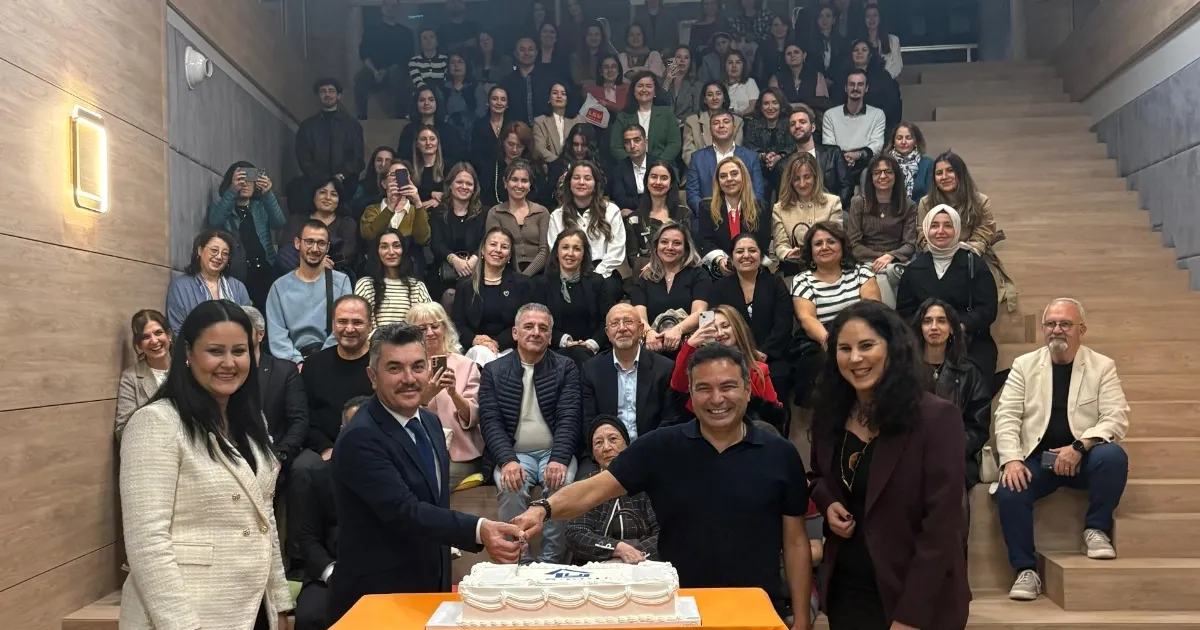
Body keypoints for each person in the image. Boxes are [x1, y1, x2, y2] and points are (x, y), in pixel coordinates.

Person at [510, 342, 812, 622]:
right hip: (677, 608)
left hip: (756, 609)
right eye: (704, 388)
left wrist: (800, 621)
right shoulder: (660, 447)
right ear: (690, 394)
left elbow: (796, 542)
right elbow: (592, 490)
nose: (717, 398)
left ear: (747, 390)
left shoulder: (780, 454)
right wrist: (542, 509)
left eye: (728, 387)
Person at [327, 323, 527, 623]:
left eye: (418, 367)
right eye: (395, 368)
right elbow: (405, 511)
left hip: (430, 591)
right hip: (378, 601)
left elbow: (435, 504)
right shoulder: (361, 437)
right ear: (372, 377)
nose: (409, 378)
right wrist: (479, 528)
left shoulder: (430, 423)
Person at [119, 300, 293, 630]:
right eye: (215, 351)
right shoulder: (156, 422)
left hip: (253, 608)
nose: (229, 363)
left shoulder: (253, 422)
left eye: (239, 351)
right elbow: (147, 544)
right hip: (186, 614)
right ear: (188, 353)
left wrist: (280, 604)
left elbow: (264, 519)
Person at [809, 300, 971, 629]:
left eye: (867, 345)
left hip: (916, 593)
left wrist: (910, 616)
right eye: (845, 349)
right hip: (848, 588)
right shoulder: (830, 413)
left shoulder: (937, 417)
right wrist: (828, 503)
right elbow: (818, 476)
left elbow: (941, 526)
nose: (855, 358)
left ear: (893, 348)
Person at [994, 298, 1130, 601]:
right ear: (1043, 328)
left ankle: (1096, 529)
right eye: (1051, 324)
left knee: (1113, 457)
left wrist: (1079, 446)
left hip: (1083, 458)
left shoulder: (1102, 366)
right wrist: (1012, 460)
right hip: (1038, 459)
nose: (1057, 330)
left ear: (1082, 330)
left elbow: (1116, 417)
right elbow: (1007, 416)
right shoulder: (1024, 365)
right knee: (1009, 489)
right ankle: (1025, 570)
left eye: (1065, 324)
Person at [480, 304, 582, 563]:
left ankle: (551, 562)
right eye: (528, 326)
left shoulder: (566, 367)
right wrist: (507, 460)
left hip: (553, 452)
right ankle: (519, 560)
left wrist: (559, 457)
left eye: (543, 328)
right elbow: (490, 422)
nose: (536, 332)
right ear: (515, 333)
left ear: (550, 337)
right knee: (510, 484)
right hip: (514, 454)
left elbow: (569, 418)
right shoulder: (494, 371)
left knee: (562, 485)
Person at [296, 296, 375, 530]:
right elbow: (304, 415)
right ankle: (303, 548)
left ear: (371, 325)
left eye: (357, 322)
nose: (349, 329)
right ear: (333, 324)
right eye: (342, 321)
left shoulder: (382, 364)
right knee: (302, 469)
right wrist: (325, 448)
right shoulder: (314, 364)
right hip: (322, 448)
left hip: (374, 447)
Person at [293, 395, 365, 630]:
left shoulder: (396, 475)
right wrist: (332, 573)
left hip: (380, 572)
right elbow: (307, 538)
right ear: (343, 430)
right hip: (330, 571)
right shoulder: (319, 476)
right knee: (311, 616)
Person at [918, 151, 1018, 310]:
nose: (944, 177)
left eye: (950, 171)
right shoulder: (926, 202)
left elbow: (985, 231)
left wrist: (966, 253)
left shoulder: (980, 200)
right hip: (936, 255)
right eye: (939, 173)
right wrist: (940, 255)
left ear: (960, 173)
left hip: (972, 255)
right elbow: (922, 233)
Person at [912, 299, 991, 490]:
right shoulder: (905, 371)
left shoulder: (969, 372)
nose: (934, 327)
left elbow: (977, 427)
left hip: (955, 456)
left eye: (941, 321)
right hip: (912, 455)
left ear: (952, 329)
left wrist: (950, 448)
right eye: (927, 321)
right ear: (919, 328)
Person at [581, 303, 682, 449]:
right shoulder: (592, 370)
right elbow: (589, 423)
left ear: (641, 329)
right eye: (615, 323)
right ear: (607, 333)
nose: (622, 328)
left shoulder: (665, 368)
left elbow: (671, 420)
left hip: (653, 450)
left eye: (628, 321)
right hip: (608, 452)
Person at [709, 233, 794, 405]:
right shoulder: (718, 288)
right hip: (731, 357)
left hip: (772, 356)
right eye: (740, 251)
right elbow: (711, 324)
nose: (746, 255)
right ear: (732, 257)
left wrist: (763, 353)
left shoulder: (775, 283)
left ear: (761, 256)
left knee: (778, 379)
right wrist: (742, 355)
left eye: (752, 250)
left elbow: (783, 324)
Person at [407, 303, 485, 489]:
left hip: (460, 455)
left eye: (435, 326)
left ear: (445, 328)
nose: (430, 332)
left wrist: (453, 393)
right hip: (417, 452)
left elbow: (474, 417)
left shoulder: (466, 365)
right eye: (422, 328)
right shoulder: (407, 367)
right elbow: (402, 412)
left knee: (430, 483)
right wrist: (428, 394)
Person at [565, 416, 660, 564]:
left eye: (613, 439)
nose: (606, 447)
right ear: (593, 453)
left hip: (645, 563)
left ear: (626, 445)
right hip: (597, 566)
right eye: (598, 442)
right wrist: (616, 549)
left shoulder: (648, 482)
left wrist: (633, 556)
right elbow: (575, 533)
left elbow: (665, 533)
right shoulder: (586, 485)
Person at [671, 306, 782, 423]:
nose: (720, 333)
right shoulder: (699, 367)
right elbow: (679, 385)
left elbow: (774, 414)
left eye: (725, 326)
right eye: (714, 329)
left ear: (737, 328)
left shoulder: (758, 370)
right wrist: (690, 345)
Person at [266, 220, 353, 364]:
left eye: (321, 243)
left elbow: (344, 327)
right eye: (309, 242)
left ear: (328, 247)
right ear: (297, 243)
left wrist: (319, 362)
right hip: (292, 364)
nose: (315, 249)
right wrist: (298, 362)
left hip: (332, 359)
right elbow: (277, 337)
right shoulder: (279, 287)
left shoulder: (341, 281)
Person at [208, 162, 287, 308]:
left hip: (265, 268)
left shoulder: (261, 207)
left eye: (250, 179)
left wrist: (268, 194)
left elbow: (279, 223)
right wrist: (232, 190)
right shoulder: (221, 207)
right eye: (240, 179)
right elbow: (215, 221)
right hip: (239, 272)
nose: (245, 184)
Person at [243, 305, 309, 477]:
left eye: (244, 329)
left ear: (260, 334)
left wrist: (280, 455)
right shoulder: (225, 372)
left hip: (277, 452)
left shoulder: (284, 371)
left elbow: (299, 421)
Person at [548, 160, 627, 301]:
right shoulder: (557, 215)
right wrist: (575, 275)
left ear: (596, 184)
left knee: (606, 291)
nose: (581, 182)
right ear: (569, 183)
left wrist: (596, 275)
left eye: (587, 178)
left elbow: (616, 250)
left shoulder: (611, 211)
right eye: (576, 177)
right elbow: (555, 250)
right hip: (569, 271)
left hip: (603, 271)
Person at [452, 227, 534, 363]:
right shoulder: (465, 285)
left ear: (509, 255)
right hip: (474, 349)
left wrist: (496, 342)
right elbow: (457, 323)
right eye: (493, 244)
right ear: (482, 250)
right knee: (481, 352)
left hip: (511, 348)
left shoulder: (522, 284)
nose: (498, 250)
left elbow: (525, 322)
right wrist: (474, 340)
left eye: (504, 247)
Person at [533, 228, 614, 365]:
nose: (570, 253)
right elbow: (538, 322)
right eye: (565, 247)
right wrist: (565, 341)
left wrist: (592, 343)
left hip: (593, 351)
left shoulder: (597, 282)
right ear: (557, 252)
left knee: (583, 356)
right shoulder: (542, 284)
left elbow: (608, 320)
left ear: (583, 254)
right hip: (555, 351)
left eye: (576, 249)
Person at [791, 221, 881, 343]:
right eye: (818, 244)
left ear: (842, 247)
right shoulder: (802, 280)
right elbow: (807, 319)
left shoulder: (862, 272)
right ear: (811, 251)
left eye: (831, 242)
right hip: (822, 341)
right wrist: (833, 346)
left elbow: (873, 311)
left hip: (864, 334)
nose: (824, 247)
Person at [848, 154, 917, 307]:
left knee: (887, 274)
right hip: (865, 262)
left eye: (888, 172)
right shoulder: (858, 203)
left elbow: (910, 245)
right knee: (878, 276)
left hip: (897, 263)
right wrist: (882, 258)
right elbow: (853, 245)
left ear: (896, 176)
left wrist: (891, 256)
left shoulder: (908, 205)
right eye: (877, 172)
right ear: (870, 177)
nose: (883, 176)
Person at [630, 223, 709, 355]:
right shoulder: (645, 278)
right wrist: (649, 333)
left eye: (677, 243)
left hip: (690, 348)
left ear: (686, 248)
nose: (670, 247)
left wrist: (678, 330)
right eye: (664, 242)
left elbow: (701, 313)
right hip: (652, 347)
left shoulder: (698, 274)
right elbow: (639, 316)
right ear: (656, 246)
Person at [772, 152, 844, 278]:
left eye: (807, 177)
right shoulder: (780, 208)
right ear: (790, 181)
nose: (802, 183)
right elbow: (780, 245)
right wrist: (788, 253)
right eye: (796, 178)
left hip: (828, 265)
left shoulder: (833, 203)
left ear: (815, 177)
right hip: (796, 270)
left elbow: (835, 240)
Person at [696, 155, 772, 276]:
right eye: (723, 176)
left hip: (753, 269)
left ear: (743, 177)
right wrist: (720, 260)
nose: (729, 179)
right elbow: (706, 241)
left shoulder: (761, 208)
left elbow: (762, 243)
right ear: (718, 182)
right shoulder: (706, 207)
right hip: (718, 272)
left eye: (734, 174)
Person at [167, 230, 251, 333]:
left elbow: (248, 327)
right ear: (200, 250)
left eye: (225, 254)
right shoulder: (180, 286)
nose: (219, 257)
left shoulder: (238, 287)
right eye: (214, 250)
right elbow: (177, 330)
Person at [360, 160, 433, 279]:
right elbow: (369, 235)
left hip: (411, 273)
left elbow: (423, 239)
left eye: (403, 174)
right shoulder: (372, 210)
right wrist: (391, 206)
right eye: (393, 174)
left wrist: (418, 202)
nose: (398, 179)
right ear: (384, 183)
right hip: (377, 272)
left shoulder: (416, 211)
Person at [686, 112, 765, 219]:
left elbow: (758, 192)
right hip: (709, 220)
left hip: (745, 219)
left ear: (734, 127)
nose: (721, 125)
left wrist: (742, 215)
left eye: (726, 122)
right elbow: (692, 195)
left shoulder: (751, 157)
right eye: (716, 123)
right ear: (710, 129)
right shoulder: (697, 158)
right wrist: (709, 216)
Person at [430, 162, 488, 306]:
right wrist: (454, 260)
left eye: (469, 184)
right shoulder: (438, 212)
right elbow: (436, 244)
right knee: (449, 295)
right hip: (444, 273)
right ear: (450, 185)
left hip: (476, 270)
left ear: (474, 188)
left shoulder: (484, 213)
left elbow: (486, 240)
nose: (464, 187)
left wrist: (475, 258)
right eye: (459, 182)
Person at [277, 178, 360, 277]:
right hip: (297, 268)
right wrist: (313, 262)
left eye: (333, 194)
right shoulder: (296, 220)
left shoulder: (347, 223)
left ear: (339, 200)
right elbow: (285, 249)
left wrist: (322, 262)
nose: (328, 198)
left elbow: (348, 252)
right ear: (314, 195)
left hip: (333, 269)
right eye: (322, 192)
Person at [296, 78, 365, 197]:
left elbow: (357, 158)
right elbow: (304, 158)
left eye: (331, 91)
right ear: (318, 96)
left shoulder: (352, 125)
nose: (327, 94)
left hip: (346, 183)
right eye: (323, 91)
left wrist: (342, 175)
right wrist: (323, 178)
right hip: (315, 183)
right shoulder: (307, 126)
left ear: (339, 95)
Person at [484, 159, 551, 276]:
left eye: (524, 181)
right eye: (514, 180)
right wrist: (517, 278)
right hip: (505, 274)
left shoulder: (542, 212)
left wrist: (524, 277)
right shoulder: (495, 213)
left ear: (530, 185)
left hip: (539, 275)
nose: (519, 185)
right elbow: (495, 250)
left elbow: (544, 251)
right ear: (505, 182)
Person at [821, 68, 886, 188]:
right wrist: (843, 158)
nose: (855, 88)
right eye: (851, 84)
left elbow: (877, 145)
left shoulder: (878, 114)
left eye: (860, 84)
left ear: (866, 88)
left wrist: (857, 155)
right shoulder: (830, 115)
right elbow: (829, 145)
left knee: (869, 172)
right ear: (846, 88)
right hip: (837, 162)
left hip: (865, 162)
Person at [354, 229, 432, 326]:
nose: (391, 252)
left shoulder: (417, 286)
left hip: (410, 336)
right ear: (377, 252)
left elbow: (427, 322)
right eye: (384, 247)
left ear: (403, 250)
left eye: (396, 246)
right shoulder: (365, 285)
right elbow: (362, 323)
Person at [115, 310, 172, 441]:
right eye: (146, 337)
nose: (154, 341)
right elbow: (122, 430)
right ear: (139, 345)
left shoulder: (188, 368)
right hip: (152, 447)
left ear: (169, 335)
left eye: (158, 333)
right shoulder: (131, 378)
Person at [354, 0, 414, 120]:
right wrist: (375, 71)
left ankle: (400, 117)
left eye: (393, 6)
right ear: (382, 7)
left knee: (398, 77)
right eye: (387, 5)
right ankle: (361, 118)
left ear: (398, 9)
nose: (390, 8)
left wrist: (388, 70)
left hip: (396, 71)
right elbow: (364, 53)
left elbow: (408, 57)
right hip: (374, 70)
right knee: (359, 79)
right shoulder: (371, 30)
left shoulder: (406, 33)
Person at [786, 105, 854, 210]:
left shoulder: (833, 153)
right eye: (792, 124)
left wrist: (831, 208)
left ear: (813, 127)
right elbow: (785, 197)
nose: (797, 126)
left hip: (832, 210)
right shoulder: (785, 163)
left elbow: (847, 187)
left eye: (802, 122)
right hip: (800, 212)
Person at [611, 72, 681, 163]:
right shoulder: (623, 116)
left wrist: (658, 164)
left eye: (649, 86)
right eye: (640, 86)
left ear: (655, 91)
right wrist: (633, 164)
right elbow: (616, 146)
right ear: (633, 91)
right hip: (630, 166)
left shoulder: (667, 114)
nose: (644, 90)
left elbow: (674, 144)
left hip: (662, 166)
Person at [631, 161, 694, 261]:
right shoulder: (634, 220)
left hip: (680, 268)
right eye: (654, 177)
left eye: (664, 178)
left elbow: (690, 250)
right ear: (646, 181)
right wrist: (658, 266)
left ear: (671, 183)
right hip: (647, 269)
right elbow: (633, 258)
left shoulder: (684, 214)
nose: (658, 182)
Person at [478, 122, 549, 209]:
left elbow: (542, 199)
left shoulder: (535, 168)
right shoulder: (491, 167)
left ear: (525, 147)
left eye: (519, 146)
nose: (514, 150)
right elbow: (485, 198)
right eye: (510, 144)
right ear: (503, 142)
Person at [835, 39, 902, 130]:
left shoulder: (883, 75)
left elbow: (891, 104)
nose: (859, 53)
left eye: (864, 50)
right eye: (856, 50)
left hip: (878, 125)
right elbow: (838, 102)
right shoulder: (842, 76)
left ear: (870, 55)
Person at [681, 82, 745, 166]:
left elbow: (737, 152)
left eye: (718, 94)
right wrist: (704, 169)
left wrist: (723, 169)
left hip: (729, 168)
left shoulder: (737, 121)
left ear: (724, 97)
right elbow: (688, 154)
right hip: (700, 170)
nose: (714, 98)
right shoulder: (692, 121)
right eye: (710, 95)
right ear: (704, 100)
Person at [743, 87, 794, 192]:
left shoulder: (790, 122)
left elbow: (793, 146)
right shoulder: (753, 124)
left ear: (781, 105)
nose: (770, 107)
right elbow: (748, 147)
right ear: (761, 107)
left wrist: (779, 157)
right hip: (760, 168)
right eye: (766, 103)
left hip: (786, 168)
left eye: (775, 103)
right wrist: (764, 156)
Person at [396, 88, 462, 165]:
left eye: (431, 100)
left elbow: (456, 158)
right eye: (422, 100)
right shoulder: (408, 130)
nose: (426, 103)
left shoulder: (448, 130)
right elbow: (401, 159)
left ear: (437, 103)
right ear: (416, 104)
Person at [608, 124, 658, 224]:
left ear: (645, 142)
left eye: (636, 140)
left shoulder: (657, 165)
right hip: (629, 220)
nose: (632, 146)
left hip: (657, 215)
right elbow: (621, 200)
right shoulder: (618, 169)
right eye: (627, 142)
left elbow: (662, 197)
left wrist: (637, 212)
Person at [499, 36, 554, 124]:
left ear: (536, 52)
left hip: (546, 129)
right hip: (516, 130)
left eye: (530, 49)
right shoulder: (506, 82)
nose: (526, 53)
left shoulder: (549, 78)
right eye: (522, 50)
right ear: (515, 53)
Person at [769, 42, 833, 114]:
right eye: (789, 53)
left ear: (804, 55)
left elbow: (822, 103)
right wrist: (801, 105)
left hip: (812, 116)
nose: (792, 55)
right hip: (784, 117)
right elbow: (774, 104)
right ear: (785, 58)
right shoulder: (776, 78)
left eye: (796, 52)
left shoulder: (817, 76)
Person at [532, 82, 586, 163]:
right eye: (555, 93)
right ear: (549, 98)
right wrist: (559, 163)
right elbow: (539, 148)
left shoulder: (579, 120)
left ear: (568, 99)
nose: (559, 96)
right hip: (549, 166)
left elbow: (584, 146)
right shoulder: (539, 121)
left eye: (563, 94)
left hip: (576, 165)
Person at [548, 123, 601, 196]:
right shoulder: (556, 167)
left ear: (590, 146)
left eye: (584, 145)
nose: (579, 149)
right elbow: (547, 198)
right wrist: (557, 186)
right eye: (576, 144)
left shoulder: (599, 166)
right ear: (570, 144)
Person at [888, 122, 934, 204]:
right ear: (894, 142)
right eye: (899, 138)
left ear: (916, 142)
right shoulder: (886, 164)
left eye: (908, 138)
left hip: (920, 210)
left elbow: (930, 197)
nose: (903, 142)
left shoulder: (927, 164)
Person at [806, 4, 848, 80]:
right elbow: (809, 66)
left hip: (838, 82)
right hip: (815, 82)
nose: (824, 19)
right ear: (817, 19)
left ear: (833, 20)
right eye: (821, 16)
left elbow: (843, 65)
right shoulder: (809, 42)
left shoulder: (843, 42)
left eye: (828, 16)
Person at [663, 45, 703, 124]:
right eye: (678, 57)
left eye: (686, 58)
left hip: (686, 126)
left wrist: (680, 121)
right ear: (672, 61)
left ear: (690, 62)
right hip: (664, 123)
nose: (682, 60)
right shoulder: (662, 81)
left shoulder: (697, 84)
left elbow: (696, 111)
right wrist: (667, 81)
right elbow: (658, 103)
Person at [352, 147, 396, 218]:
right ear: (373, 163)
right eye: (379, 160)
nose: (383, 164)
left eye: (388, 160)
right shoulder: (361, 187)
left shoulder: (398, 187)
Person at [470, 86, 510, 162]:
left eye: (503, 99)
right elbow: (475, 154)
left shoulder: (512, 125)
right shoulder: (479, 126)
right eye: (494, 99)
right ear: (488, 102)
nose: (499, 103)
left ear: (507, 104)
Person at [751, 15, 794, 86]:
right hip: (767, 88)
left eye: (783, 25)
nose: (779, 28)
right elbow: (757, 74)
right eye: (776, 25)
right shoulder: (762, 49)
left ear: (788, 28)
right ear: (771, 29)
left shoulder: (795, 48)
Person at [863, 4, 902, 79]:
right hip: (865, 82)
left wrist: (883, 78)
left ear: (880, 18)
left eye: (875, 15)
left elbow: (897, 66)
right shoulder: (857, 43)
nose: (871, 19)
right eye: (868, 16)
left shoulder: (893, 40)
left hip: (888, 81)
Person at [570, 21, 613, 87]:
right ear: (585, 36)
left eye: (597, 34)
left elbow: (611, 81)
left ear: (602, 37)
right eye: (590, 34)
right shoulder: (576, 57)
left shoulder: (609, 58)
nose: (593, 38)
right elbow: (577, 82)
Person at [723, 50, 760, 116]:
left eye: (738, 62)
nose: (734, 66)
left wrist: (739, 115)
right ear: (725, 66)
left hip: (746, 119)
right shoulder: (720, 86)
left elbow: (754, 107)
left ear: (743, 65)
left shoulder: (750, 82)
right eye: (730, 63)